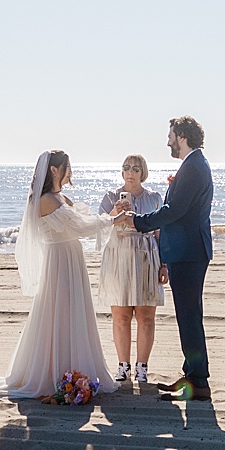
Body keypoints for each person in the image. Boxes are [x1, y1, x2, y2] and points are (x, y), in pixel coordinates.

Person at [0, 152, 118, 399]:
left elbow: (86, 220)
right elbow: (81, 227)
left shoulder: (61, 198)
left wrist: (110, 216)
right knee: (59, 312)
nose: (71, 171)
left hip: (71, 258)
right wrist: (113, 220)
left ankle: (73, 371)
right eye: (67, 167)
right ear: (54, 170)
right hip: (60, 261)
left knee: (72, 312)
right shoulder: (47, 200)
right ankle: (57, 373)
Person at [119, 117, 216, 402]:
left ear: (182, 136)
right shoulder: (193, 165)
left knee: (189, 318)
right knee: (188, 317)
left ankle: (199, 383)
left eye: (171, 135)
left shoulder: (195, 167)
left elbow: (174, 210)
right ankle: (191, 376)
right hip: (187, 252)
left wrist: (138, 221)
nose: (168, 141)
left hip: (189, 253)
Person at [98, 154, 165, 386]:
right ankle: (122, 366)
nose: (130, 172)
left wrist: (164, 264)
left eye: (136, 168)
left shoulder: (154, 197)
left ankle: (142, 367)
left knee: (146, 317)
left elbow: (160, 233)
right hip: (119, 256)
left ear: (142, 172)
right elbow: (98, 228)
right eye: (126, 167)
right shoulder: (110, 197)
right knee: (121, 316)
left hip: (147, 255)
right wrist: (114, 213)